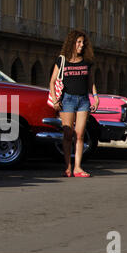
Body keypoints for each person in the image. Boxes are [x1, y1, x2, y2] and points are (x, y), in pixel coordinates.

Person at [49, 30, 99, 178]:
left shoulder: (87, 61)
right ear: (72, 43)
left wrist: (95, 97)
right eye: (78, 42)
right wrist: (55, 100)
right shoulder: (62, 60)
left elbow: (91, 82)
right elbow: (52, 82)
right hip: (67, 100)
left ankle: (77, 167)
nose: (81, 45)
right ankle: (68, 167)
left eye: (83, 42)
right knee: (68, 134)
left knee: (80, 134)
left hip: (83, 100)